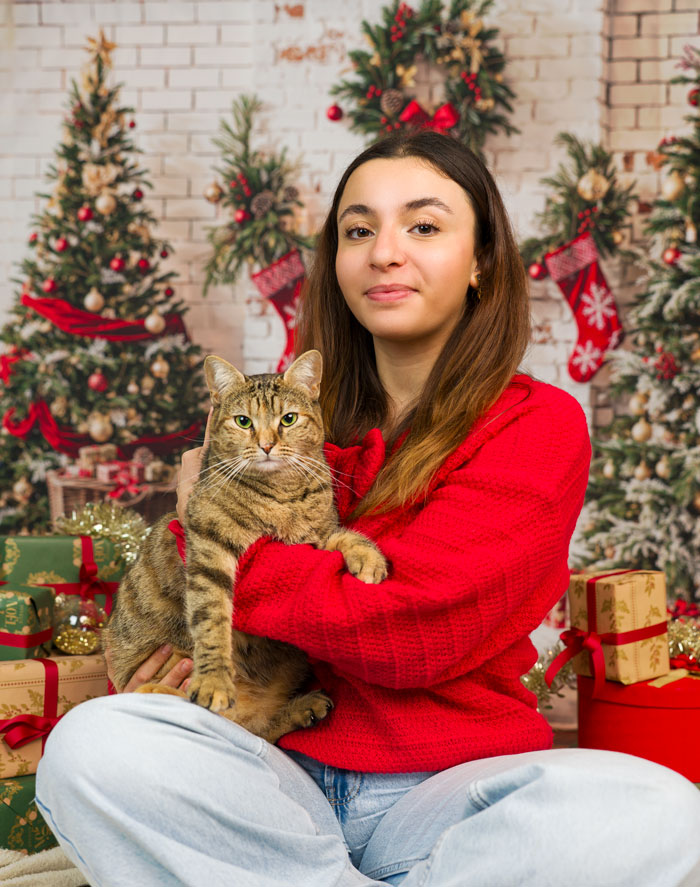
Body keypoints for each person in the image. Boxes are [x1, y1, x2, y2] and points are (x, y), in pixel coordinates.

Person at [36, 131, 700, 887]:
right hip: (272, 772)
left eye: (423, 225)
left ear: (482, 259)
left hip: (447, 789)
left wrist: (219, 539)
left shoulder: (535, 424)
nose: (385, 252)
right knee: (93, 747)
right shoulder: (287, 425)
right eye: (359, 230)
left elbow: (413, 630)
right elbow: (215, 611)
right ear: (337, 265)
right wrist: (176, 676)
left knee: (660, 812)